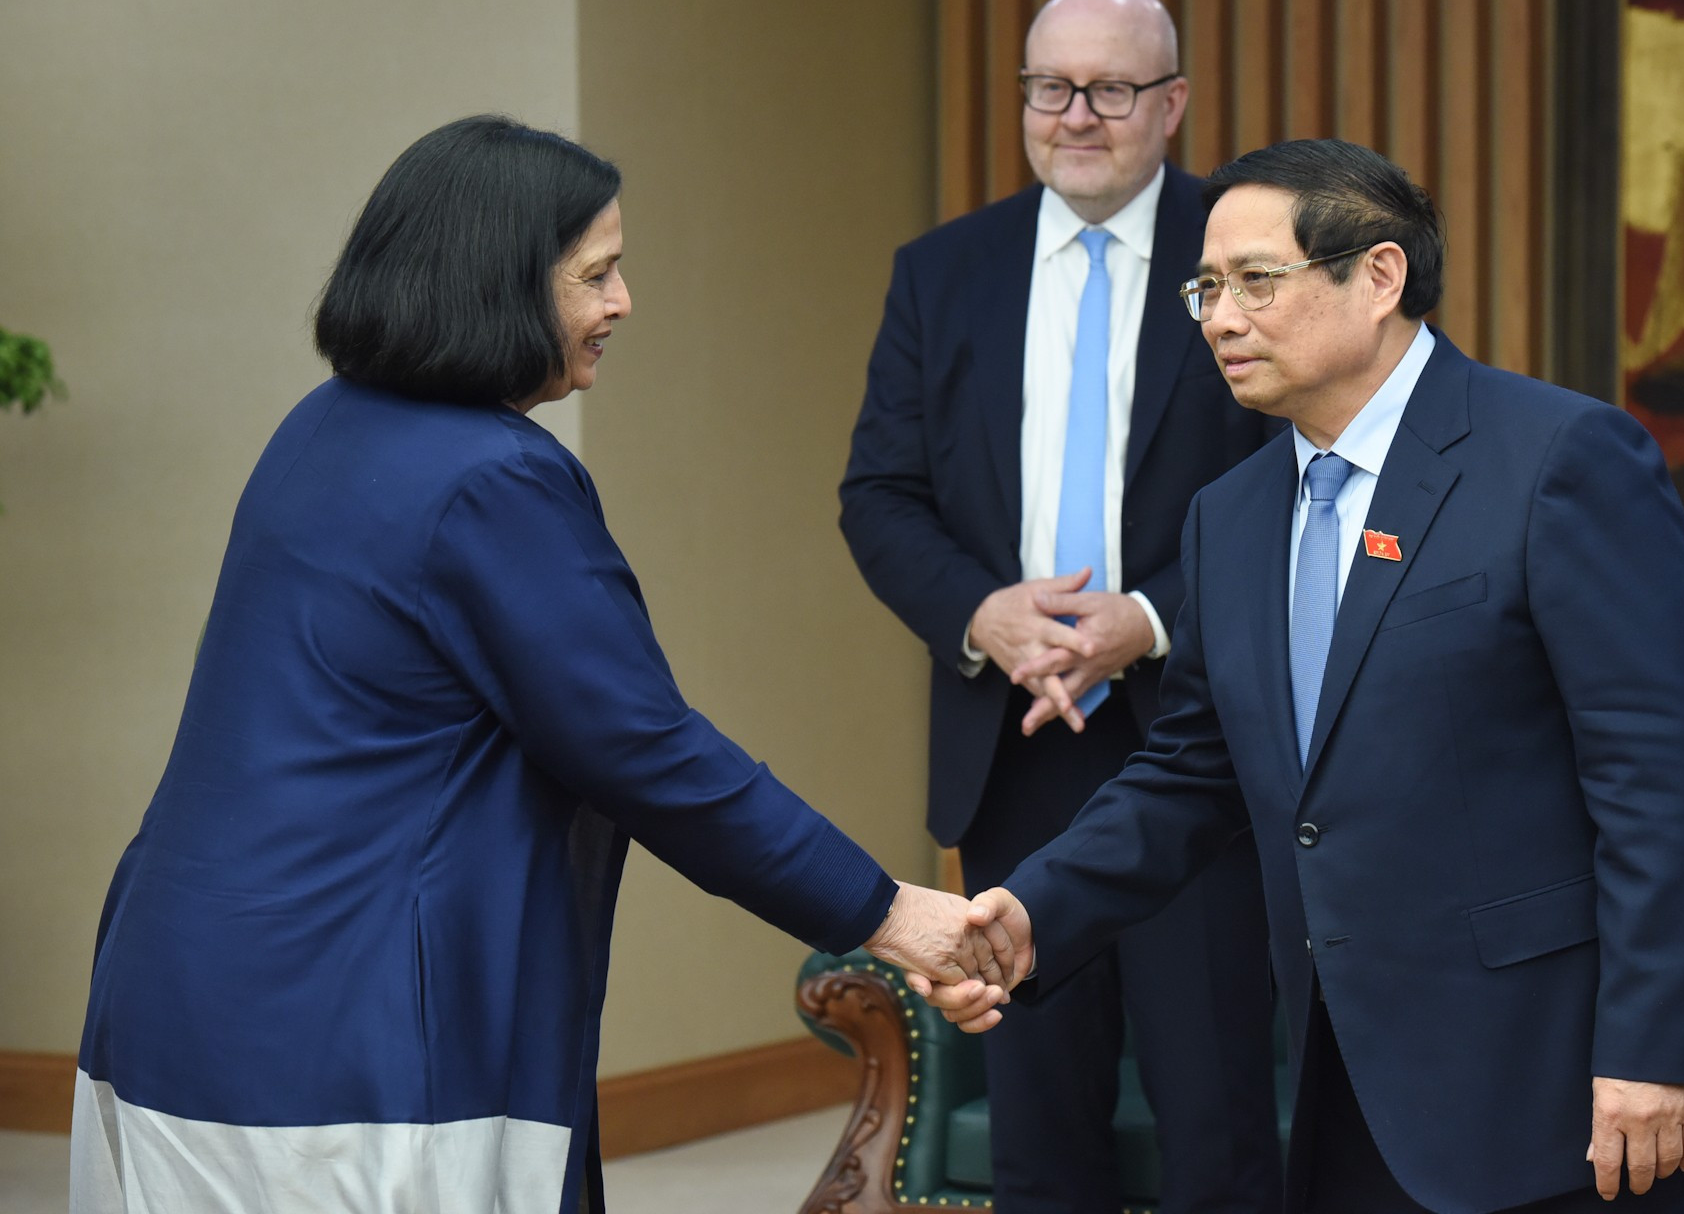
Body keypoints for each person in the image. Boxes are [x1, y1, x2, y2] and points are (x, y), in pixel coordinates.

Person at [70, 116, 1011, 1214]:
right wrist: (891, 912)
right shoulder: (493, 480)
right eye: (597, 274)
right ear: (497, 286)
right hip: (347, 1033)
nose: (623, 303)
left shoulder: (318, 428)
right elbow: (647, 751)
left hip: (181, 990)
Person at [922, 139, 1684, 1213]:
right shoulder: (1231, 516)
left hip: (1565, 1086)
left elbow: (1663, 778)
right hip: (1347, 1078)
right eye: (1206, 287)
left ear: (1379, 277)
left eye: (1256, 281)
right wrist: (1033, 912)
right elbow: (1190, 773)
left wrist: (1652, 1046)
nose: (1221, 317)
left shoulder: (1561, 458)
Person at [839, 0, 1282, 1213]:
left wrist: (1148, 617)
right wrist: (986, 616)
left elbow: (1296, 484)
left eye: (1113, 88)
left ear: (1173, 103)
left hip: (1196, 749)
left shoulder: (1241, 254)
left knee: (1218, 1129)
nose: (1077, 114)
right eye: (1050, 86)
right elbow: (878, 494)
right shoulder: (943, 272)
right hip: (1017, 749)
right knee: (1042, 1135)